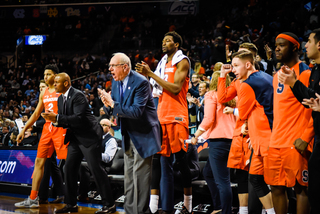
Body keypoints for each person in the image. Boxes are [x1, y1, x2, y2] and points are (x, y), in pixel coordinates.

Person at [136, 31, 193, 214]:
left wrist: (150, 73)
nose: (164, 43)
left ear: (176, 44)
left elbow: (176, 88)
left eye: (168, 40)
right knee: (159, 160)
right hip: (161, 115)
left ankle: (188, 205)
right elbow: (156, 88)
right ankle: (155, 207)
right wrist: (146, 76)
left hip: (177, 116)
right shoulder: (163, 63)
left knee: (181, 161)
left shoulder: (182, 61)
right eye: (163, 40)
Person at [42, 73, 115, 214]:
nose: (54, 84)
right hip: (75, 137)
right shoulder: (60, 98)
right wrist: (53, 119)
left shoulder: (78, 95)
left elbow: (78, 118)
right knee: (68, 168)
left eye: (57, 82)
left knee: (96, 169)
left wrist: (57, 117)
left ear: (66, 83)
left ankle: (109, 204)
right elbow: (66, 120)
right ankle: (71, 204)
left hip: (90, 137)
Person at [98, 52, 161, 214]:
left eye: (113, 66)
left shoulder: (141, 83)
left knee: (140, 179)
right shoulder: (116, 81)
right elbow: (115, 107)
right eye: (110, 66)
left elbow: (136, 112)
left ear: (125, 67)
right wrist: (107, 104)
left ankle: (139, 212)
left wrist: (113, 104)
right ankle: (130, 211)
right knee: (130, 180)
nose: (110, 69)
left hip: (143, 135)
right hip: (128, 135)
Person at [264, 32, 313, 214]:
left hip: (296, 143)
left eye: (282, 45)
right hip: (276, 142)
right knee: (276, 188)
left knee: (301, 189)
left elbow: (312, 110)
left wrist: (306, 138)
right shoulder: (277, 75)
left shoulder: (306, 73)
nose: (276, 48)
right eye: (276, 44)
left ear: (294, 47)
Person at [278, 28, 320, 214]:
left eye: (309, 41)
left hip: (305, 138)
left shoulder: (305, 69)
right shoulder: (314, 69)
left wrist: (304, 136)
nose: (306, 45)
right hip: (311, 137)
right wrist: (293, 83)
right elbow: (309, 102)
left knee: (307, 190)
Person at [14, 64, 68, 209]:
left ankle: (70, 199)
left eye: (49, 74)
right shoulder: (43, 93)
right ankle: (33, 198)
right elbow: (36, 114)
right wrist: (24, 129)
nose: (45, 77)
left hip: (61, 128)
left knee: (68, 163)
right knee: (39, 163)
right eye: (44, 74)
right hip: (47, 131)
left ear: (56, 76)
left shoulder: (62, 90)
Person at [230, 50, 275, 214]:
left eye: (236, 66)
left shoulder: (247, 84)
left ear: (248, 64)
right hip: (262, 137)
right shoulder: (267, 77)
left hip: (266, 138)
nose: (233, 70)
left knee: (274, 184)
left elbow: (241, 113)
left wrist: (247, 125)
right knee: (255, 178)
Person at [218, 43, 259, 214]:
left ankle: (261, 210)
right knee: (241, 173)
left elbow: (259, 107)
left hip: (253, 131)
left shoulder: (259, 79)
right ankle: (243, 211)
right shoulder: (238, 81)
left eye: (236, 64)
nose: (234, 68)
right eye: (233, 64)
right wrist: (222, 76)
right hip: (239, 132)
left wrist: (239, 114)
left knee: (256, 176)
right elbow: (222, 97)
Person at [191, 71, 237, 214]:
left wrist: (196, 135)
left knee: (223, 181)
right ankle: (218, 207)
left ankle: (225, 211)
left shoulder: (211, 95)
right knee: (208, 173)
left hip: (219, 142)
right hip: (232, 140)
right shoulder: (233, 96)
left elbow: (209, 118)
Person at [78, 118, 117, 202]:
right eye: (100, 125)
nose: (101, 127)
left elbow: (108, 158)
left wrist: (93, 154)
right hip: (91, 163)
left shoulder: (111, 140)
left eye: (104, 125)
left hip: (103, 166)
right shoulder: (95, 138)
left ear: (109, 128)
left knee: (83, 166)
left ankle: (83, 194)